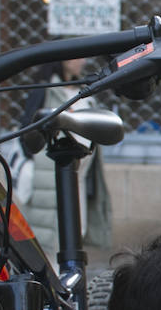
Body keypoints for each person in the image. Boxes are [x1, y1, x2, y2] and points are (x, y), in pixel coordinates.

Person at [27, 55, 113, 252]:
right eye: (77, 58)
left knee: (77, 225)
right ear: (63, 61)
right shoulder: (45, 89)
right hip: (51, 168)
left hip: (82, 168)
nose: (82, 62)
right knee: (54, 231)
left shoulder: (86, 89)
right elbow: (29, 126)